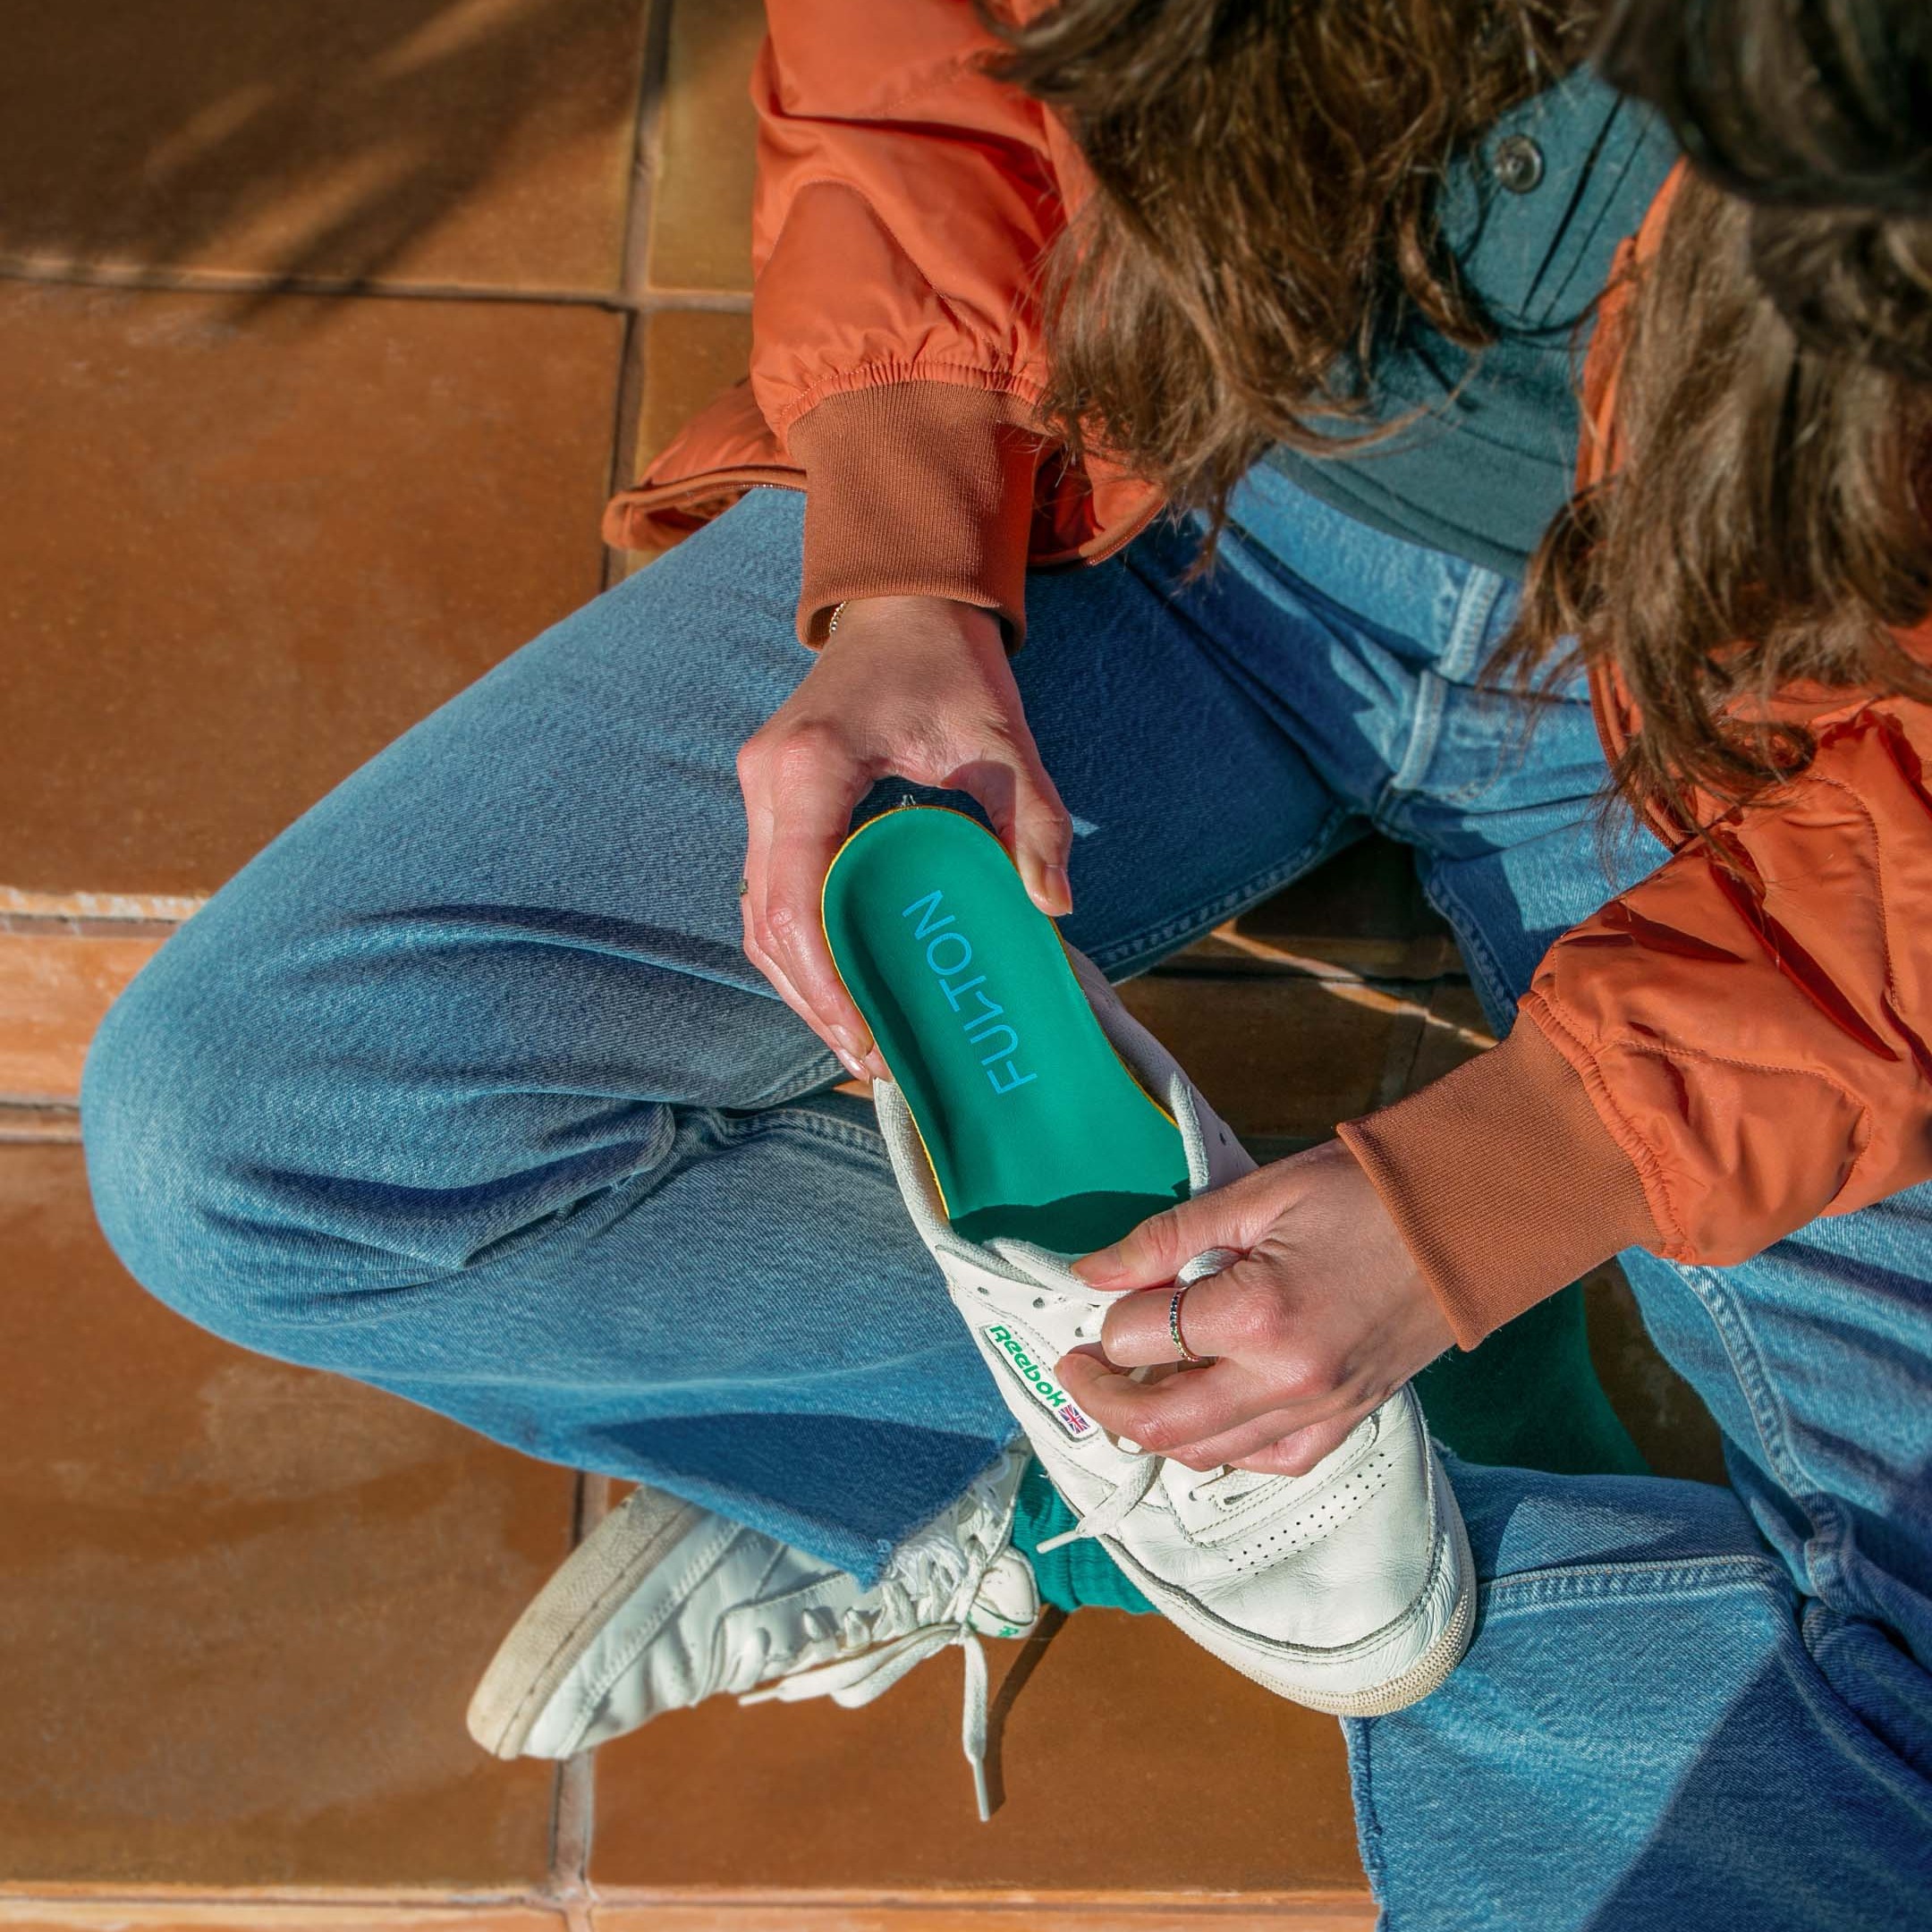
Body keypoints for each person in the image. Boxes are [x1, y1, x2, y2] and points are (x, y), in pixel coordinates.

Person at [80, 0, 1932, 1921]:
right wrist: (902, 548)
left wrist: (1508, 1189)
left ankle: (1218, 1488)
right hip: (1160, 455)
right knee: (261, 1135)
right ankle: (1205, 1478)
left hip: (1817, 715)